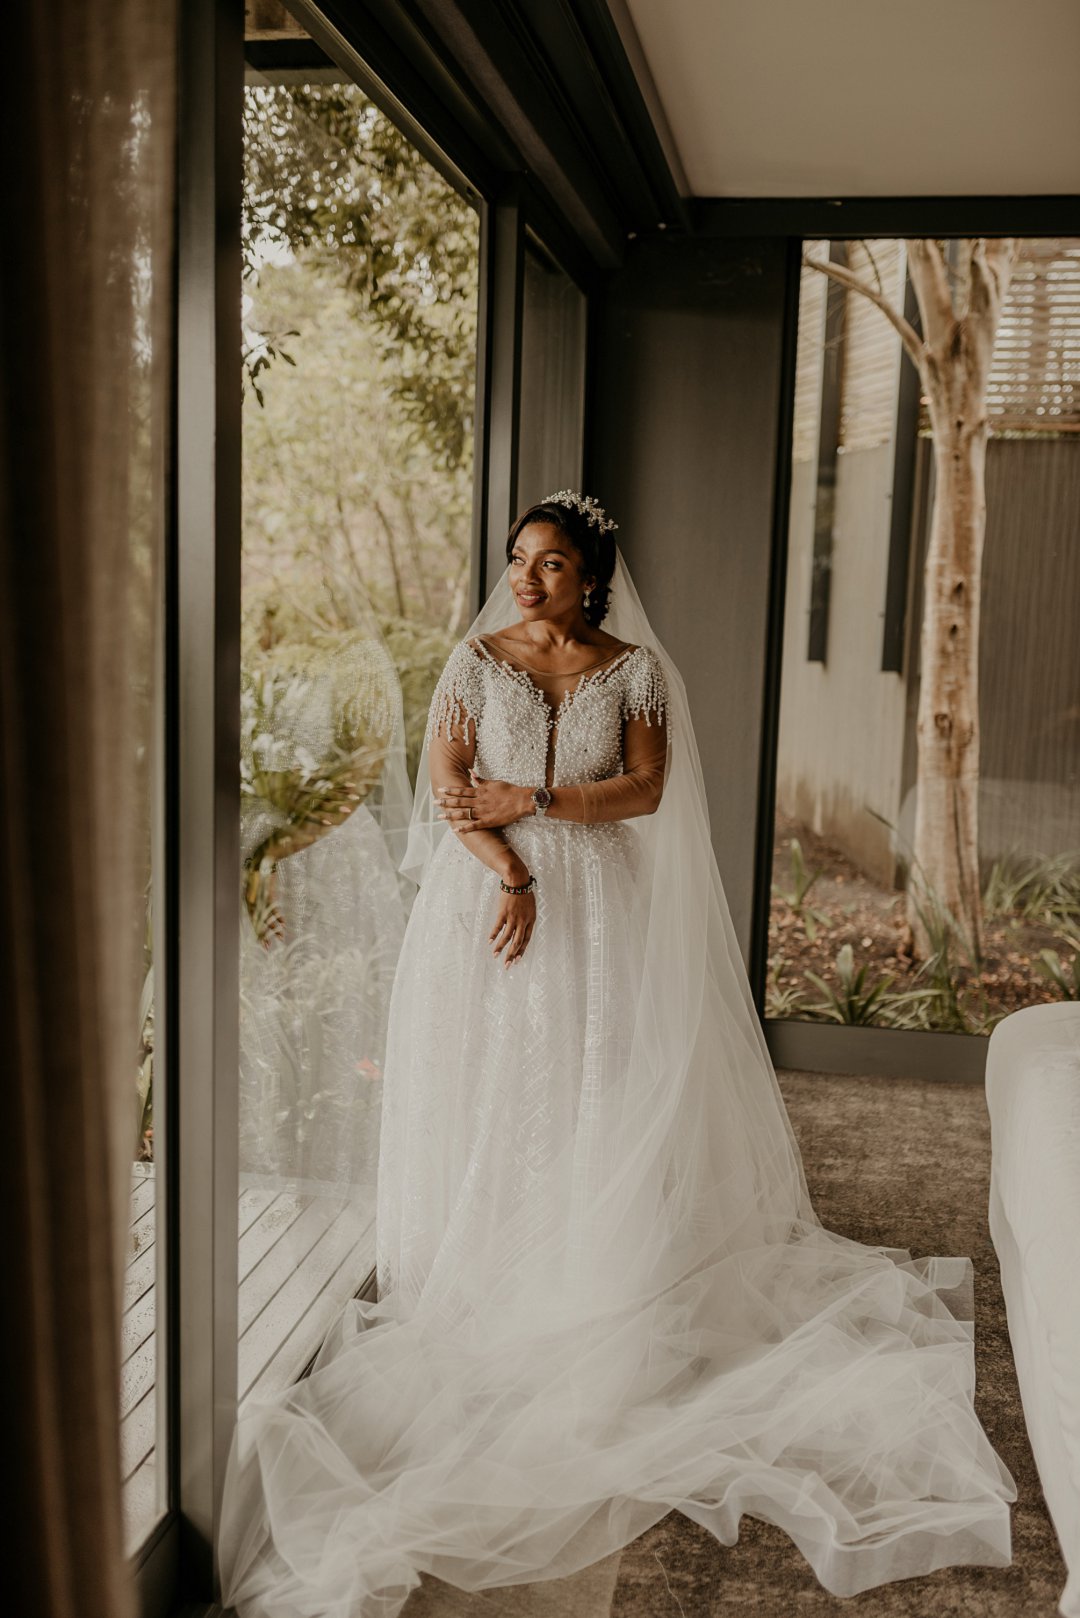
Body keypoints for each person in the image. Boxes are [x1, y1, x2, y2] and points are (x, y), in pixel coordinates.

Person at [219, 492, 1016, 1618]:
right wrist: (511, 865)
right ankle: (485, 1264)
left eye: (551, 563)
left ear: (592, 576)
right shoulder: (474, 659)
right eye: (518, 560)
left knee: (594, 1088)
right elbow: (452, 793)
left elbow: (643, 790)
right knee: (496, 1087)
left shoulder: (635, 671)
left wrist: (538, 801)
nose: (529, 578)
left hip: (603, 912)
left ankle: (593, 1272)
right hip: (495, 903)